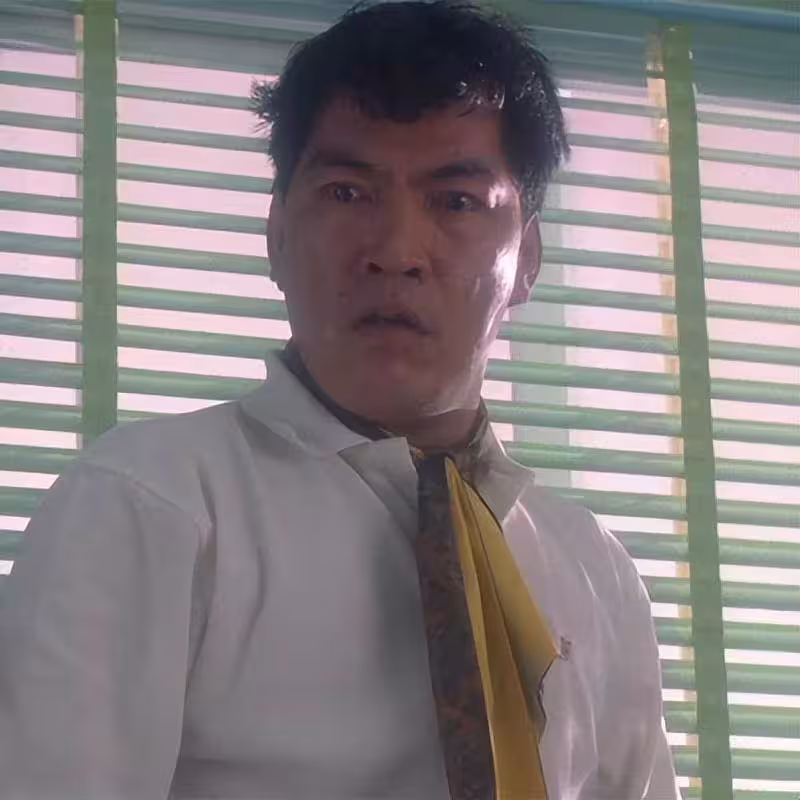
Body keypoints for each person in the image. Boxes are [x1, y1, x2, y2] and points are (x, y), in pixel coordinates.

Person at [0, 2, 679, 798]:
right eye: (348, 192)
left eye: (457, 201)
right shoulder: (150, 503)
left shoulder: (596, 569)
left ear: (526, 260)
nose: (396, 252)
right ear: (277, 236)